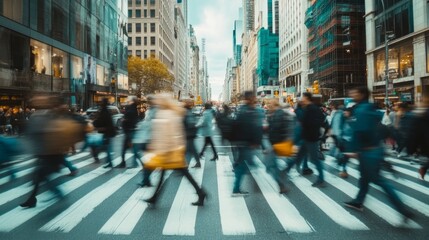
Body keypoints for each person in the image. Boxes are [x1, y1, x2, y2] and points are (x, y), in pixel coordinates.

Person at [343, 87, 413, 222]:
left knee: (378, 181)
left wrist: (352, 149)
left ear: (361, 94)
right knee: (364, 178)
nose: (351, 94)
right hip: (374, 149)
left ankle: (403, 209)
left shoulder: (362, 110)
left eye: (354, 92)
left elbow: (359, 132)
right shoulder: (369, 108)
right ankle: (358, 201)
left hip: (368, 151)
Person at [20, 95, 85, 208]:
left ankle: (57, 193)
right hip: (48, 152)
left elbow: (56, 131)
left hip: (53, 153)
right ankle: (32, 199)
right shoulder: (49, 114)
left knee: (41, 176)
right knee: (39, 176)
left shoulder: (54, 115)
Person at [143, 94, 207, 206]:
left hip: (169, 151)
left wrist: (164, 149)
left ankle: (201, 192)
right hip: (168, 151)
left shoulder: (168, 114)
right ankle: (155, 197)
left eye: (159, 100)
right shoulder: (166, 113)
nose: (156, 102)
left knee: (182, 174)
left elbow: (173, 134)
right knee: (170, 175)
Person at [285, 92, 326, 187]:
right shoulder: (308, 108)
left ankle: (321, 179)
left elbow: (314, 122)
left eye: (303, 97)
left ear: (307, 98)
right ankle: (285, 172)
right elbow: (320, 119)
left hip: (311, 138)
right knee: (298, 157)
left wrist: (313, 130)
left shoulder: (312, 109)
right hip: (307, 138)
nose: (301, 99)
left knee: (315, 159)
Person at [231, 91, 263, 195]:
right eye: (254, 97)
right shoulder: (251, 111)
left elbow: (236, 125)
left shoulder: (242, 110)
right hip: (247, 143)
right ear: (250, 98)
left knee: (243, 164)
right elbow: (255, 128)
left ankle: (237, 187)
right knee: (246, 165)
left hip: (241, 142)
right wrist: (257, 142)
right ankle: (237, 188)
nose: (255, 98)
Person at [266, 99, 294, 193]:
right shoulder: (273, 114)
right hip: (275, 144)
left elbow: (284, 129)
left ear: (275, 104)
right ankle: (282, 182)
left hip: (279, 144)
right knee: (271, 166)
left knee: (270, 166)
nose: (268, 106)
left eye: (270, 103)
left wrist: (286, 141)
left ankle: (282, 183)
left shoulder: (280, 114)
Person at [133, 95, 157, 187]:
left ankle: (146, 180)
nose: (148, 102)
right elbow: (147, 122)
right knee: (147, 160)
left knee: (150, 161)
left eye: (149, 100)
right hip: (146, 138)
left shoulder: (155, 111)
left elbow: (153, 125)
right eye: (148, 100)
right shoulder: (150, 110)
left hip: (151, 139)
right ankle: (146, 180)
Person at [407, 97, 429, 180]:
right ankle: (423, 169)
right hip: (425, 143)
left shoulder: (418, 115)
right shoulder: (419, 116)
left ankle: (423, 169)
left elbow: (414, 134)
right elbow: (415, 134)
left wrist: (412, 149)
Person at [93, 98, 116, 168]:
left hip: (107, 132)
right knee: (106, 147)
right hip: (107, 132)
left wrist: (95, 123)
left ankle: (109, 162)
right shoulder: (105, 111)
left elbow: (100, 121)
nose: (100, 103)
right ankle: (109, 162)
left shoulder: (104, 111)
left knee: (105, 147)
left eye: (101, 102)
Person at [120, 96, 139, 168]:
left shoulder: (132, 109)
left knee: (129, 148)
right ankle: (123, 163)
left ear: (132, 101)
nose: (127, 99)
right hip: (129, 131)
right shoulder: (131, 108)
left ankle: (123, 163)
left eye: (129, 98)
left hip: (130, 131)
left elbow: (128, 118)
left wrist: (124, 120)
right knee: (129, 148)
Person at [183, 99, 201, 168]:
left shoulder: (187, 111)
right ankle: (197, 162)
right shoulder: (188, 111)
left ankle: (185, 166)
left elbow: (190, 123)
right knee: (191, 150)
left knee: (188, 150)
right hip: (189, 133)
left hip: (189, 134)